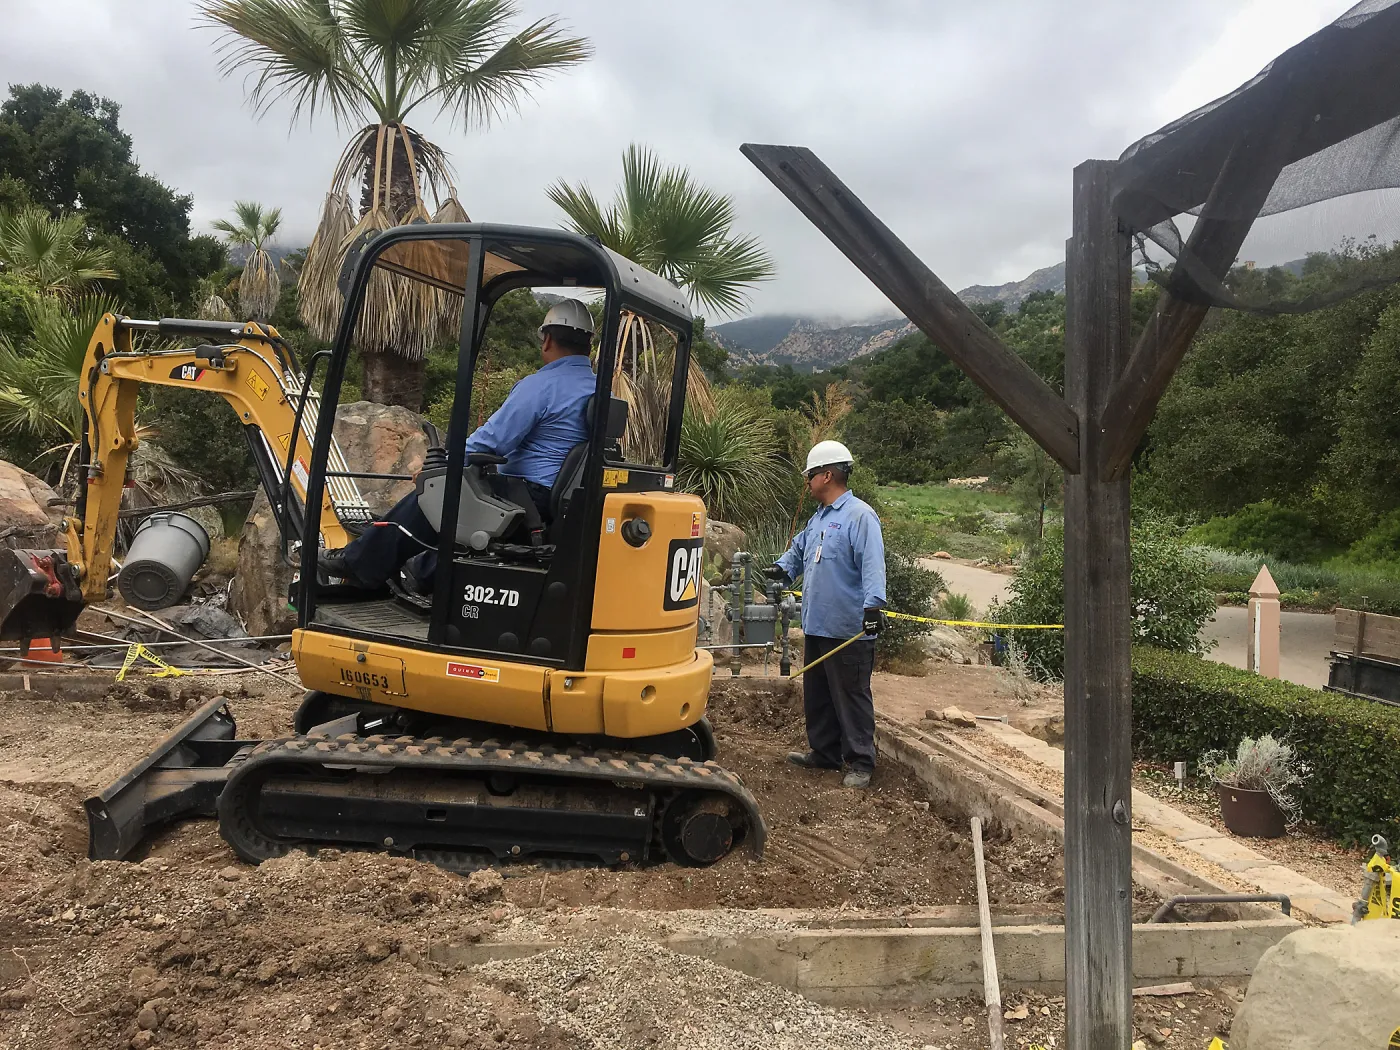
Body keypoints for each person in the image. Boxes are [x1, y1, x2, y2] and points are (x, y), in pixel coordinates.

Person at [318, 298, 598, 588]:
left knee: (437, 493)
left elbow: (492, 441)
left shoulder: (542, 386)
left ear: (547, 339)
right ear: (587, 344)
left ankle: (359, 563)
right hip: (561, 502)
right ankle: (424, 574)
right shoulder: (597, 388)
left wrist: (441, 467)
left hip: (528, 495)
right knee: (457, 502)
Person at [766, 440, 887, 789]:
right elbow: (800, 549)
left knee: (850, 695)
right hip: (818, 624)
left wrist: (873, 606)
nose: (808, 482)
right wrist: (781, 568)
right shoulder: (820, 517)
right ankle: (825, 752)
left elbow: (872, 563)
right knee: (818, 693)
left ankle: (861, 761)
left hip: (848, 628)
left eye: (811, 475)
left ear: (828, 475)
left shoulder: (860, 516)